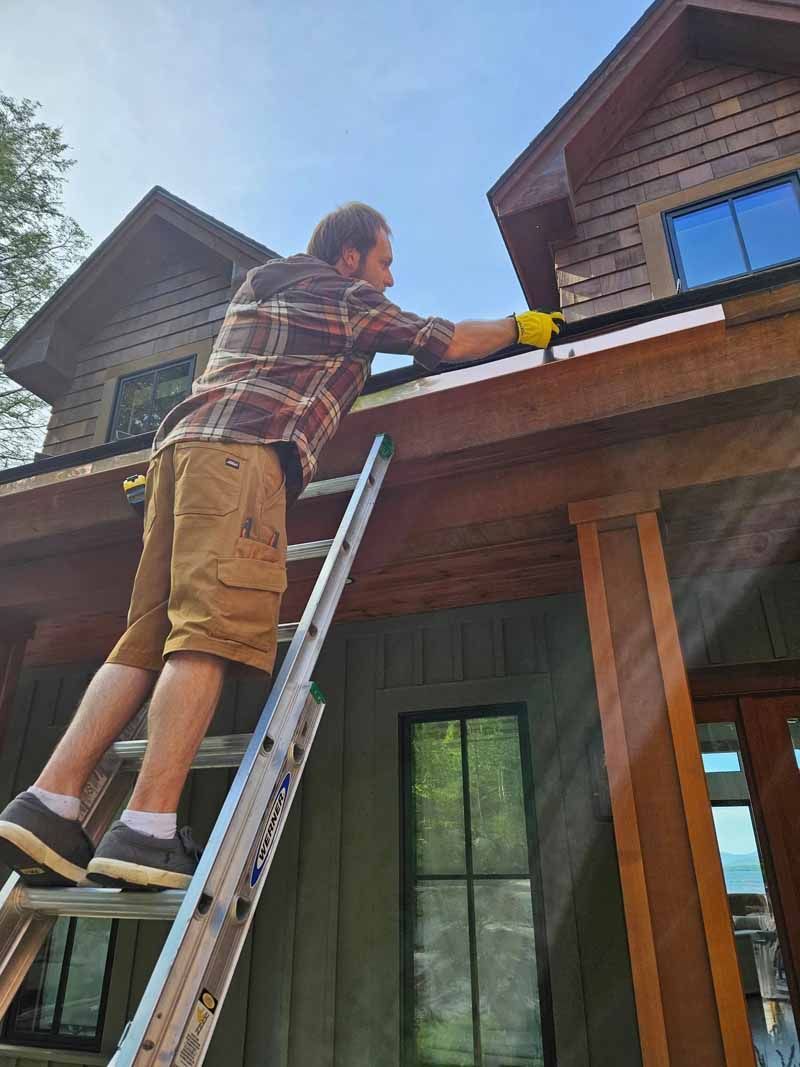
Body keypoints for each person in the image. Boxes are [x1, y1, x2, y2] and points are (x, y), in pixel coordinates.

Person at [0, 203, 563, 890]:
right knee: (206, 634)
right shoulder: (340, 293)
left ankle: (51, 800)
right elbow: (437, 339)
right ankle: (147, 826)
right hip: (242, 459)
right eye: (384, 261)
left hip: (176, 460)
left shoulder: (262, 288)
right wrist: (516, 326)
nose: (389, 278)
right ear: (350, 256)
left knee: (144, 638)